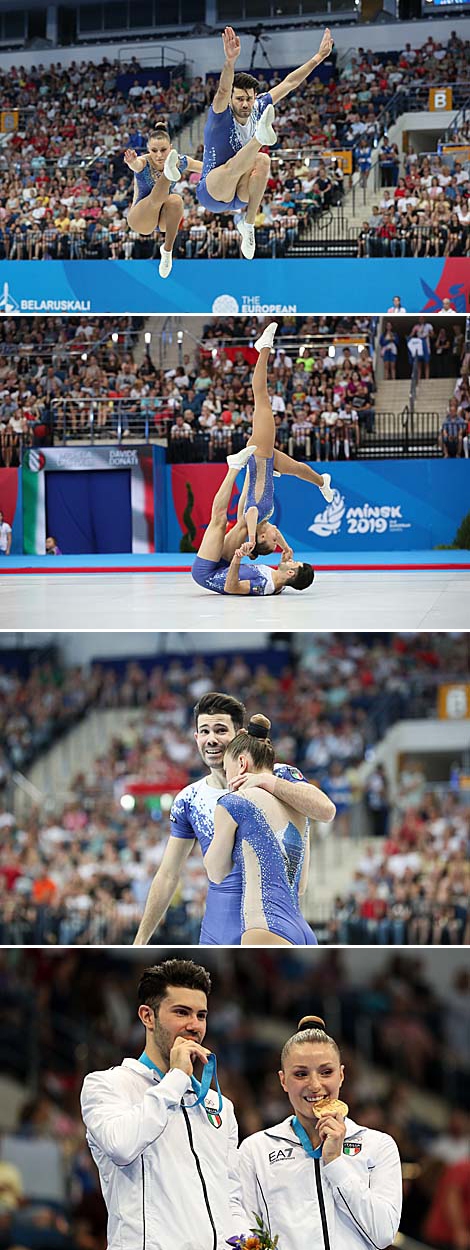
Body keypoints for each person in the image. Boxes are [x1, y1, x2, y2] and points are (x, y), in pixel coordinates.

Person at [134, 691, 335, 946]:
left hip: (265, 927)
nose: (211, 739)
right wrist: (140, 941)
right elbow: (167, 874)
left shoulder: (279, 774)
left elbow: (325, 809)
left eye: (220, 730)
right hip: (220, 932)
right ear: (196, 737)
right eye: (204, 732)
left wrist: (267, 781)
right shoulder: (189, 798)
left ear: (240, 735)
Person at [81, 958, 248, 1250]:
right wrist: (176, 1078)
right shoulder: (106, 1085)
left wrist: (246, 1242)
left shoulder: (219, 1105)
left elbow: (230, 1194)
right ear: (148, 1016)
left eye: (201, 1015)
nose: (194, 1026)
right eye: (182, 1012)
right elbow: (121, 1146)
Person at [238, 1015, 403, 1250]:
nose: (315, 1085)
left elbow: (383, 1233)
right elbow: (245, 1235)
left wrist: (335, 1162)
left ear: (341, 1075)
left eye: (326, 1072)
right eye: (301, 1074)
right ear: (283, 1080)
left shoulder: (378, 1145)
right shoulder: (256, 1150)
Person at [194, 25, 333, 259]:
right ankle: (261, 137)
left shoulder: (259, 107)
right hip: (213, 191)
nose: (245, 104)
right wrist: (230, 62)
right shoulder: (220, 114)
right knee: (237, 163)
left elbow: (290, 83)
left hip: (241, 194)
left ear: (254, 97)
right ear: (231, 99)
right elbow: (222, 90)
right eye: (239, 99)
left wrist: (318, 57)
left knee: (263, 160)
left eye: (249, 99)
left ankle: (248, 225)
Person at [204, 715, 335, 945]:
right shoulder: (296, 804)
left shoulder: (233, 801)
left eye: (227, 770)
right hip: (302, 930)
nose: (227, 779)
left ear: (242, 763)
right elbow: (301, 885)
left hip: (263, 927)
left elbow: (216, 873)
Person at [238, 321, 334, 557]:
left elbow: (250, 513)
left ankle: (263, 348)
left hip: (259, 454)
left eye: (272, 540)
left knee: (261, 397)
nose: (276, 536)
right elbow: (274, 534)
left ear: (260, 536)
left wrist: (250, 541)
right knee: (298, 469)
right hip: (265, 462)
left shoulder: (253, 517)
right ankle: (322, 482)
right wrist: (286, 548)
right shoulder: (267, 518)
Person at [124, 122, 202, 277]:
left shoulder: (181, 161)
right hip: (141, 219)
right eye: (154, 150)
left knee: (176, 200)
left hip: (162, 221)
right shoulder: (144, 162)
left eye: (163, 150)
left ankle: (167, 252)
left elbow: (208, 168)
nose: (159, 155)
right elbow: (136, 165)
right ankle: (168, 174)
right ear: (148, 150)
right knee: (156, 197)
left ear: (171, 148)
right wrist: (132, 162)